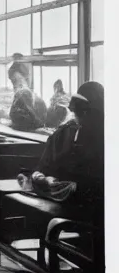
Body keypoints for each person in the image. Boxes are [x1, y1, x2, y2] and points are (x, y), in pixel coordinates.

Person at [35, 81, 104, 212]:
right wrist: (46, 178)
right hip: (67, 192)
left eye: (85, 113)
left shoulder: (103, 136)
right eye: (79, 112)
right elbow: (45, 167)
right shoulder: (63, 133)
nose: (79, 117)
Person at [8, 57, 47, 131]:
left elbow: (32, 117)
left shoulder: (24, 93)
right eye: (12, 81)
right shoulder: (23, 93)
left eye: (15, 80)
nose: (14, 85)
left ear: (24, 78)